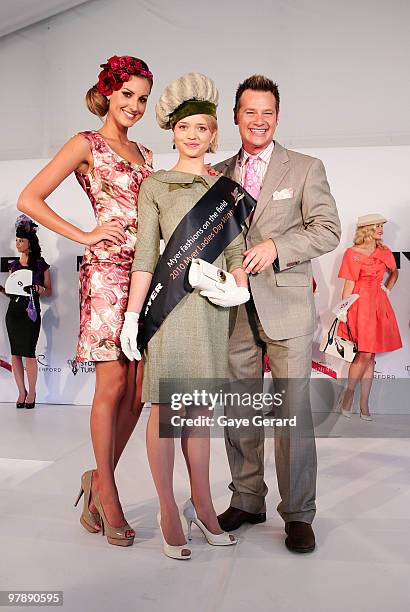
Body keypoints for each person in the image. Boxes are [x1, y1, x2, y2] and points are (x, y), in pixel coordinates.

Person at [17, 55, 154, 546]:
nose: (135, 106)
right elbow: (29, 198)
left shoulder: (146, 153)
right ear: (109, 92)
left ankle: (96, 479)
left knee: (139, 390)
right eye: (127, 95)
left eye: (142, 98)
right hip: (106, 276)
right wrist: (85, 234)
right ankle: (110, 494)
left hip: (145, 277)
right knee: (112, 383)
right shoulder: (86, 144)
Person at [120, 72, 249, 559]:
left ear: (214, 133)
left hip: (212, 314)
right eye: (184, 127)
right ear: (171, 132)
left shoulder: (226, 187)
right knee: (165, 413)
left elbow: (236, 251)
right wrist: (133, 318)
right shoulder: (155, 185)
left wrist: (238, 287)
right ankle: (168, 509)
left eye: (202, 127)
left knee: (199, 413)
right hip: (169, 316)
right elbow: (145, 259)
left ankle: (203, 502)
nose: (193, 135)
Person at [214, 75, 341, 553]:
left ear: (277, 117)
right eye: (250, 111)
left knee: (292, 415)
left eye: (268, 112)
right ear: (236, 117)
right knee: (240, 409)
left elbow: (328, 230)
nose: (259, 120)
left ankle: (299, 513)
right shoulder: (219, 172)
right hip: (232, 308)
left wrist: (277, 246)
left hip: (286, 306)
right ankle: (247, 498)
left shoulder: (305, 167)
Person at [337, 214, 401, 420]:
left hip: (379, 304)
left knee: (371, 357)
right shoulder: (352, 253)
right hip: (359, 305)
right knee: (364, 354)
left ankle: (364, 403)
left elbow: (394, 272)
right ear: (366, 229)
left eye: (382, 225)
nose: (381, 229)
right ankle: (349, 395)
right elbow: (347, 285)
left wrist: (387, 289)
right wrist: (343, 310)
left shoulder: (385, 252)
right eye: (377, 226)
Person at [1, 215, 51, 409]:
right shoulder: (13, 266)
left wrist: (39, 290)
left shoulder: (40, 264)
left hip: (31, 312)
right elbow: (11, 291)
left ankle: (32, 392)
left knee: (29, 352)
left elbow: (49, 291)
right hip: (13, 312)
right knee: (15, 354)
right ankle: (21, 392)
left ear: (30, 243)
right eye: (17, 240)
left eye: (21, 240)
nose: (18, 243)